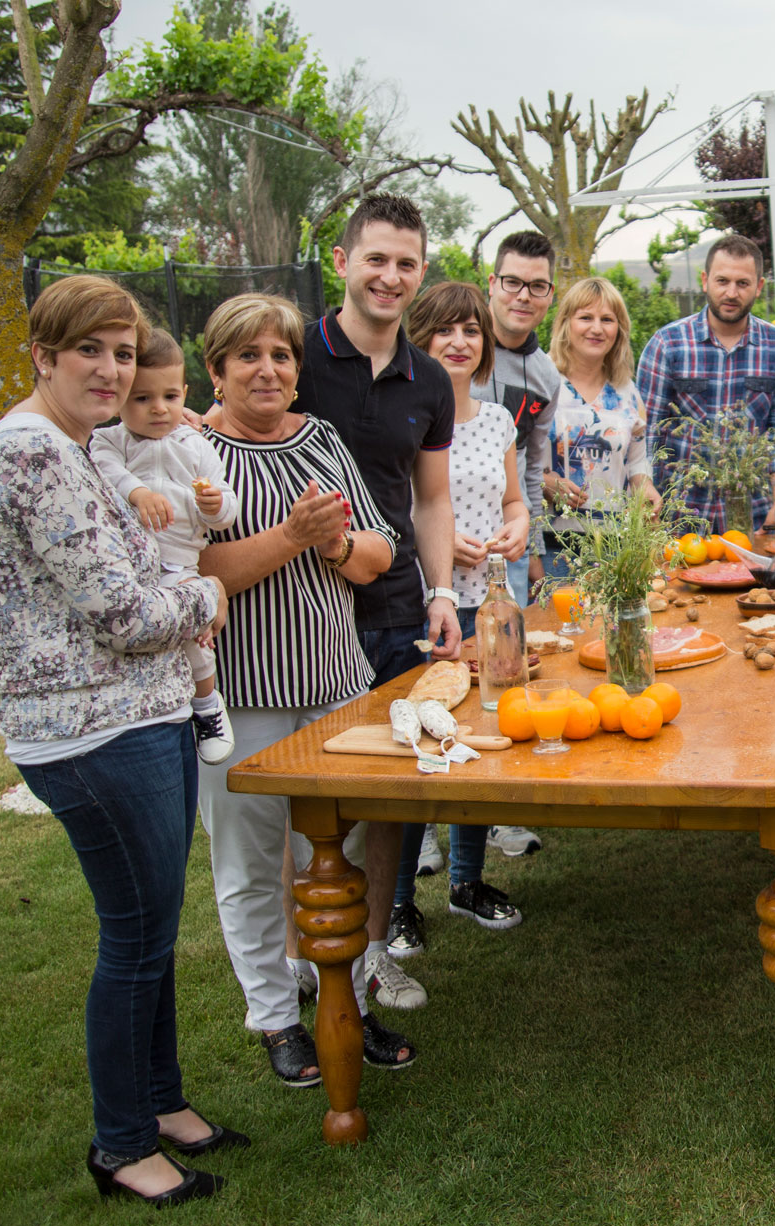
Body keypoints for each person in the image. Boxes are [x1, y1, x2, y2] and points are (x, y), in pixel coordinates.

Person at [0, 275, 238, 1207]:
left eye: (124, 353)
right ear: (43, 355)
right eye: (92, 350)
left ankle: (161, 1101)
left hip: (140, 716)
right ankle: (123, 1145)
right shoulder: (34, 453)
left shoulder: (77, 446)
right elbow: (123, 608)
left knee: (154, 928)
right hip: (91, 733)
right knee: (134, 935)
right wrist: (207, 598)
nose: (113, 370)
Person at [193, 293, 416, 1084]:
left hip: (334, 685)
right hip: (242, 694)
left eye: (281, 355)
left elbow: (380, 550)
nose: (268, 368)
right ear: (214, 369)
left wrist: (337, 542)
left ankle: (349, 1002)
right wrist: (291, 535)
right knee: (252, 864)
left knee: (338, 856)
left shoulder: (321, 437)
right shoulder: (188, 453)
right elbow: (191, 571)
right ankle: (276, 1019)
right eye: (247, 355)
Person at [295, 193, 459, 991]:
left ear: (421, 272)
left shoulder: (428, 378)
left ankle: (372, 952)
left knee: (397, 783)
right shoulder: (290, 354)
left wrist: (443, 591)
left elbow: (431, 500)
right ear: (343, 263)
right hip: (301, 603)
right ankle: (308, 943)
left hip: (396, 602)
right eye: (377, 260)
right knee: (317, 790)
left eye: (406, 264)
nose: (390, 277)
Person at [385, 281, 529, 983]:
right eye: (444, 329)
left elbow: (514, 498)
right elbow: (407, 505)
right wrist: (450, 549)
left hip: (493, 604)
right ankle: (399, 900)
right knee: (422, 749)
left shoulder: (499, 418)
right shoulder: (405, 412)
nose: (460, 341)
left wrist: (517, 527)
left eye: (471, 329)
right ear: (419, 336)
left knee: (481, 744)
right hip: (427, 602)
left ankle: (467, 882)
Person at [91, 327, 241, 765]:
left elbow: (227, 508)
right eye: (142, 398)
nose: (159, 409)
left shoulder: (195, 443)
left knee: (195, 636)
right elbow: (105, 470)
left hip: (178, 562)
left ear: (185, 394)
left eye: (171, 397)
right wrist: (137, 492)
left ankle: (207, 705)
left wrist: (214, 506)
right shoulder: (108, 441)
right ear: (120, 397)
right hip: (126, 563)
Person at [640, 233, 775, 531]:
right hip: (679, 516)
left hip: (754, 515)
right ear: (705, 280)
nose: (731, 293)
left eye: (743, 283)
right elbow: (647, 430)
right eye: (722, 281)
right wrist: (644, 488)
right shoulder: (668, 344)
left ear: (759, 287)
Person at [543, 274, 661, 576]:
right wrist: (545, 481)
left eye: (607, 319)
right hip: (552, 549)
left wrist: (645, 488)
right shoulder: (542, 381)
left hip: (615, 548)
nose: (597, 328)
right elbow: (515, 460)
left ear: (618, 330)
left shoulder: (627, 392)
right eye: (585, 317)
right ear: (566, 323)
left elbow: (636, 462)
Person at [472, 230, 562, 602]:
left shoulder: (547, 377)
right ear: (492, 283)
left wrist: (535, 550)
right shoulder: (455, 352)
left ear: (550, 294)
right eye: (513, 282)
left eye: (537, 286)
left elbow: (532, 469)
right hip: (453, 542)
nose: (523, 296)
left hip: (514, 549)